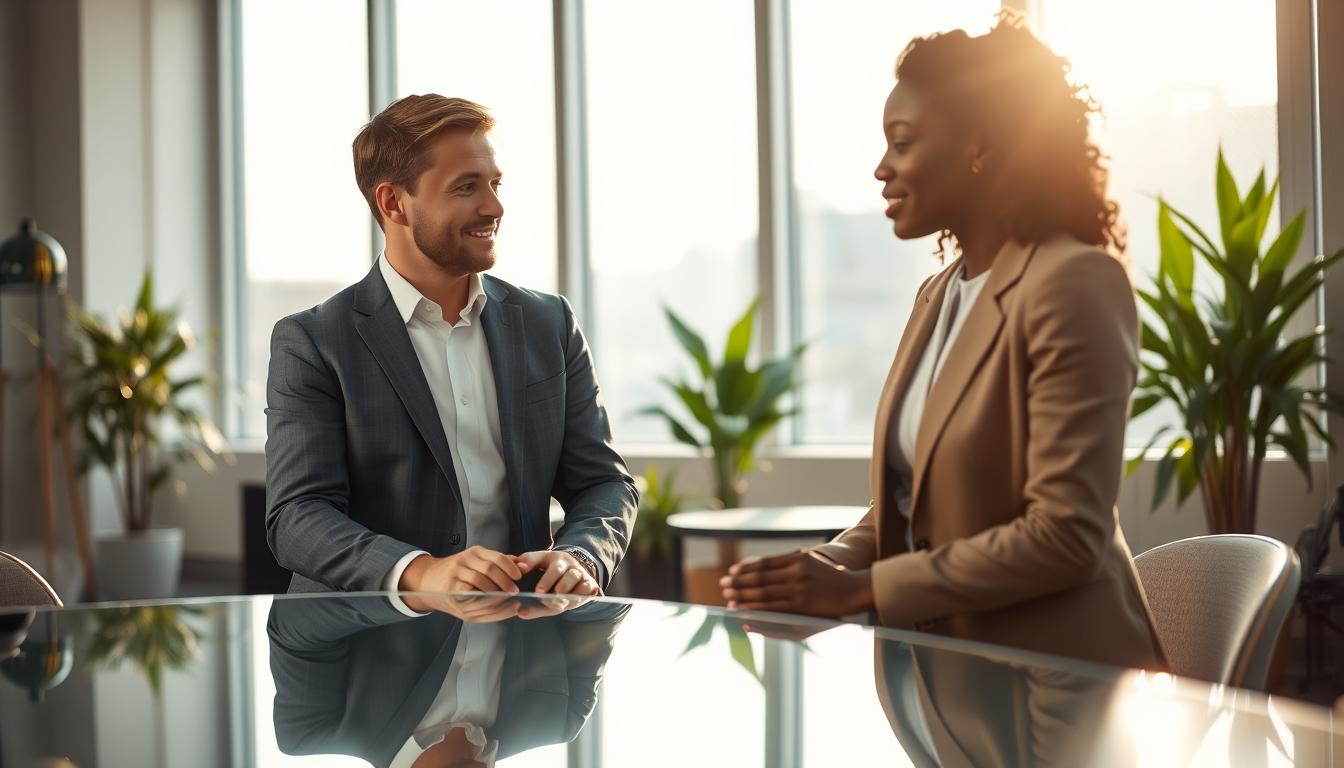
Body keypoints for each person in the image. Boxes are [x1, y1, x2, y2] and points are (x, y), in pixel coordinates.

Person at [721, 12, 1165, 669]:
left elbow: (1067, 536)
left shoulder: (1074, 283)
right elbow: (911, 504)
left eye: (902, 144)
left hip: (1063, 688)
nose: (880, 168)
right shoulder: (939, 295)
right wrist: (818, 572)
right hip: (953, 680)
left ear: (980, 145)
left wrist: (860, 591)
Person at [265, 94, 637, 613]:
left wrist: (581, 557)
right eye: (467, 188)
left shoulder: (548, 324)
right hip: (366, 656)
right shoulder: (312, 342)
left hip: (519, 651)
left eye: (494, 184)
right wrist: (422, 572)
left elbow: (601, 481)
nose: (494, 206)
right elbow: (297, 516)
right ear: (393, 202)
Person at [268, 593, 627, 767]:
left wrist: (417, 591)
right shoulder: (555, 722)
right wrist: (557, 584)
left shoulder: (316, 736)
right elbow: (608, 610)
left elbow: (295, 620)